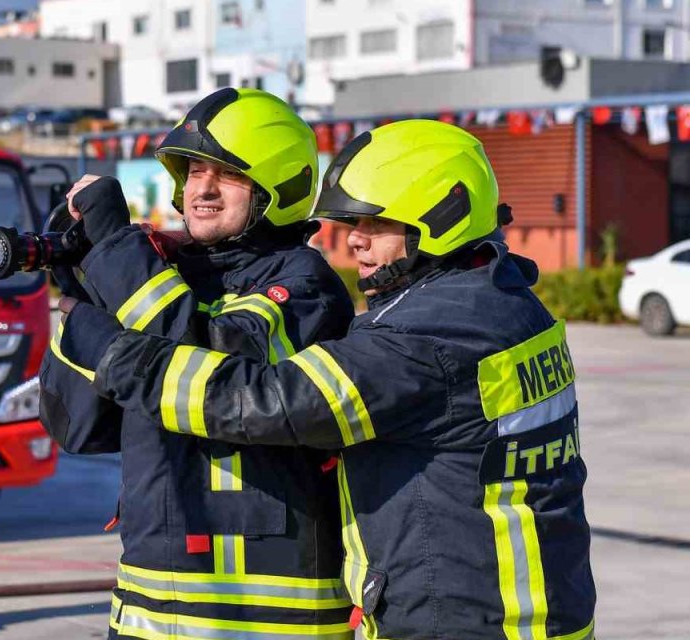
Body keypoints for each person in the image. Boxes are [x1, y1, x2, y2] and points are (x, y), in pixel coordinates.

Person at [57, 120, 596, 639]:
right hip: (521, 617)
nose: (354, 242)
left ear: (442, 217)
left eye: (375, 224)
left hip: (457, 622)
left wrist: (111, 347)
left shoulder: (425, 338)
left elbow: (256, 402)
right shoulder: (504, 306)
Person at [42, 88, 356, 638]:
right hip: (148, 612)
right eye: (192, 171)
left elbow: (206, 364)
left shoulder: (306, 286)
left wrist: (115, 249)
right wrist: (88, 284)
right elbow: (78, 428)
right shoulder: (163, 280)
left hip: (266, 621)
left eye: (227, 174)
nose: (201, 189)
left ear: (279, 187)